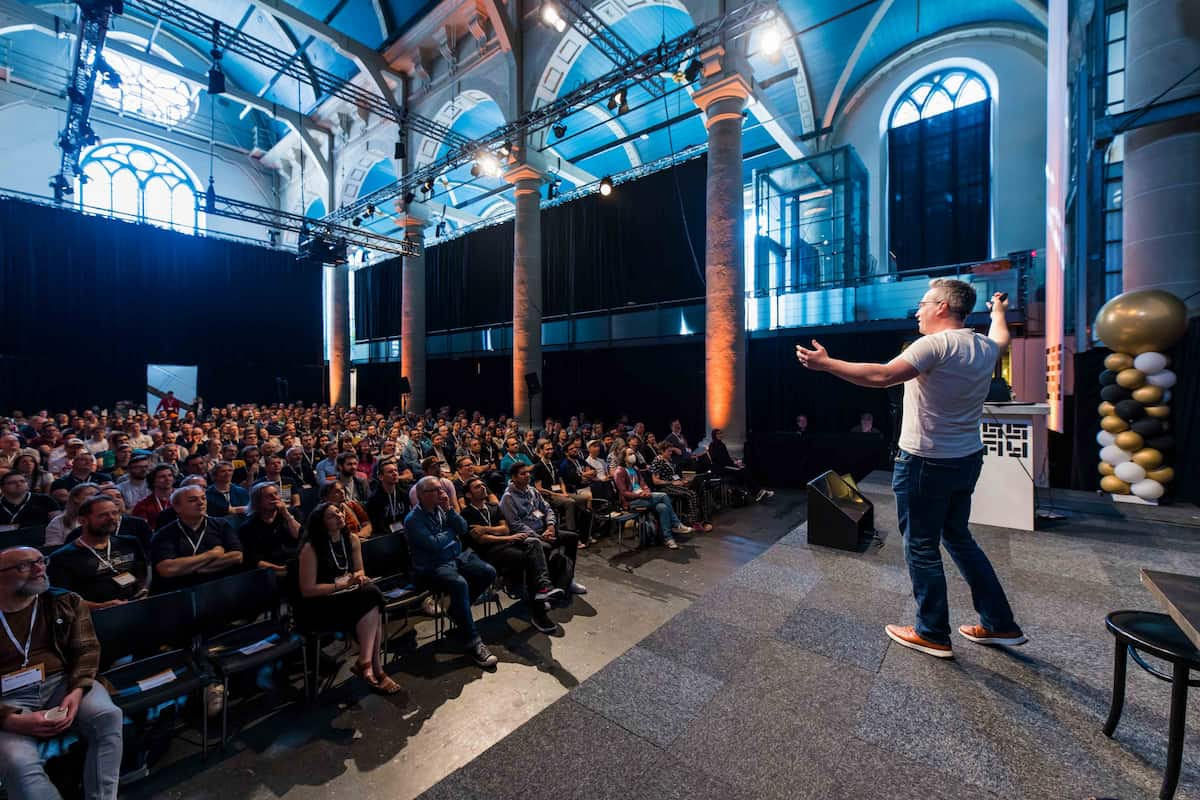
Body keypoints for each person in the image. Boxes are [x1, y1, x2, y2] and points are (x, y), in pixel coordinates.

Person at [797, 281, 1026, 658]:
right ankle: (999, 622)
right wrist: (999, 309)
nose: (917, 311)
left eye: (922, 304)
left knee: (921, 545)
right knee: (957, 537)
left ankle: (933, 632)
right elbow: (1001, 335)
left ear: (942, 307)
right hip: (966, 459)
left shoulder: (934, 345)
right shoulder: (984, 346)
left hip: (926, 462)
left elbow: (882, 376)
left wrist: (826, 365)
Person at [0, 546, 123, 800]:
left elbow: (87, 652)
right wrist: (8, 719)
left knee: (108, 715)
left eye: (41, 561)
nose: (39, 569)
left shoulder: (65, 602)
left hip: (62, 683)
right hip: (6, 699)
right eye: (25, 566)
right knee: (17, 762)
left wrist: (77, 692)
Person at [295, 502, 401, 695]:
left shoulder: (351, 539)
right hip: (320, 604)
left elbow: (359, 569)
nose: (339, 517)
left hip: (347, 596)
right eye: (332, 516)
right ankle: (373, 667)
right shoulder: (311, 548)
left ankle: (367, 664)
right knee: (372, 599)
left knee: (371, 596)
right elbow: (307, 590)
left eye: (339, 512)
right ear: (321, 523)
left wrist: (359, 577)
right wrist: (341, 585)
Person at [404, 477, 499, 668]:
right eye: (436, 491)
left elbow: (463, 528)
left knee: (488, 572)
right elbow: (433, 545)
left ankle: (457, 611)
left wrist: (449, 512)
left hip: (456, 556)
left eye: (442, 489)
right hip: (433, 565)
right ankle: (473, 642)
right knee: (459, 584)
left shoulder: (442, 508)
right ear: (422, 495)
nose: (442, 494)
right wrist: (450, 532)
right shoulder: (413, 520)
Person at [461, 477, 562, 634]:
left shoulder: (493, 507)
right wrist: (506, 537)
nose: (482, 487)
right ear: (468, 495)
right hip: (488, 553)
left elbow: (505, 528)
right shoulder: (466, 513)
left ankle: (544, 588)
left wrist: (486, 528)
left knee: (534, 543)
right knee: (530, 559)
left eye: (483, 484)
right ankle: (540, 608)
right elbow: (481, 539)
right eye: (477, 487)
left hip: (505, 546)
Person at [49, 494, 150, 608]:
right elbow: (62, 599)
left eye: (115, 513)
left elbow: (142, 572)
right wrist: (100, 606)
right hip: (94, 615)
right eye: (103, 515)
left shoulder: (130, 542)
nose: (111, 518)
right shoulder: (62, 558)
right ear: (83, 520)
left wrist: (142, 590)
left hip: (135, 605)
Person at [499, 462, 585, 595]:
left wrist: (550, 526)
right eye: (523, 473)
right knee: (545, 546)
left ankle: (568, 580)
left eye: (528, 472)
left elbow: (547, 509)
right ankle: (547, 587)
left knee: (572, 538)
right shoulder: (508, 498)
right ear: (514, 477)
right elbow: (516, 525)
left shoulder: (532, 490)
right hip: (527, 536)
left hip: (544, 530)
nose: (528, 475)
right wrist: (539, 536)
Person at [149, 485, 243, 593]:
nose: (201, 503)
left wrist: (193, 569)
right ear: (177, 507)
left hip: (218, 588)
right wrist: (211, 554)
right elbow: (167, 569)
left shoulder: (221, 524)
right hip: (181, 594)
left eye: (203, 498)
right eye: (193, 500)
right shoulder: (164, 534)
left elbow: (237, 556)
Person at [612, 447, 690, 549]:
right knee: (664, 495)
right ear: (624, 457)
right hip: (632, 501)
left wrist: (646, 491)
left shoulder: (635, 469)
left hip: (643, 496)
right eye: (630, 454)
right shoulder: (619, 471)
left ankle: (668, 539)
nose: (633, 456)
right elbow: (624, 492)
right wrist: (640, 495)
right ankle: (676, 524)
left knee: (663, 507)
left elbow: (643, 484)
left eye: (633, 453)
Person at [238, 482, 302, 573]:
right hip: (270, 570)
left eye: (276, 494)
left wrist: (287, 515)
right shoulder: (247, 528)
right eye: (269, 496)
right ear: (257, 501)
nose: (275, 498)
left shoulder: (292, 514)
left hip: (297, 562)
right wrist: (280, 569)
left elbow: (299, 536)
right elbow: (253, 560)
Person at [649, 441, 712, 531]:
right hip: (664, 487)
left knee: (700, 489)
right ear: (662, 451)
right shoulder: (657, 461)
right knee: (691, 494)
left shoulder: (669, 459)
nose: (671, 453)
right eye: (669, 451)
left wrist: (681, 480)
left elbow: (673, 475)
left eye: (671, 451)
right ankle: (694, 522)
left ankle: (704, 519)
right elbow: (656, 481)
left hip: (674, 483)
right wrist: (671, 483)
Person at [707, 429, 774, 503]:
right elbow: (719, 460)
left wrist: (735, 464)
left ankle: (759, 492)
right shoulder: (712, 446)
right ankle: (758, 492)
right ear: (714, 435)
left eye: (721, 433)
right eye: (718, 434)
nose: (720, 435)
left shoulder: (722, 444)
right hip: (721, 468)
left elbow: (727, 459)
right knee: (743, 472)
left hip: (727, 466)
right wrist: (734, 464)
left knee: (745, 471)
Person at [365, 458, 410, 540]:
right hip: (384, 536)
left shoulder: (404, 493)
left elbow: (408, 516)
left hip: (404, 532)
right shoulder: (374, 500)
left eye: (396, 470)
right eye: (390, 472)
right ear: (381, 477)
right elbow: (377, 526)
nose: (395, 474)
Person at [45, 483, 100, 548]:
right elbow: (52, 548)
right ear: (75, 498)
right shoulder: (59, 521)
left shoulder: (106, 518)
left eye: (97, 495)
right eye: (90, 494)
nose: (95, 498)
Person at [131, 464, 176, 530]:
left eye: (170, 475)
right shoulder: (143, 506)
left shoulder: (183, 499)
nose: (167, 479)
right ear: (153, 481)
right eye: (162, 477)